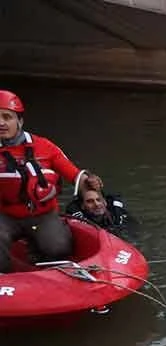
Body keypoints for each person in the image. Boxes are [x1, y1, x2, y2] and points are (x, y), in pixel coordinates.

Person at [0, 90, 104, 273]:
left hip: (43, 214)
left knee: (58, 247)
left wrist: (90, 184)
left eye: (7, 117)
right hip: (5, 216)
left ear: (20, 121)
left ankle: (47, 268)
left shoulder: (45, 146)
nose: (1, 123)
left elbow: (75, 175)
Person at [65, 186, 132, 231]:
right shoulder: (76, 219)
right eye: (90, 201)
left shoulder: (116, 215)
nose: (96, 204)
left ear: (105, 202)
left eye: (99, 200)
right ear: (82, 206)